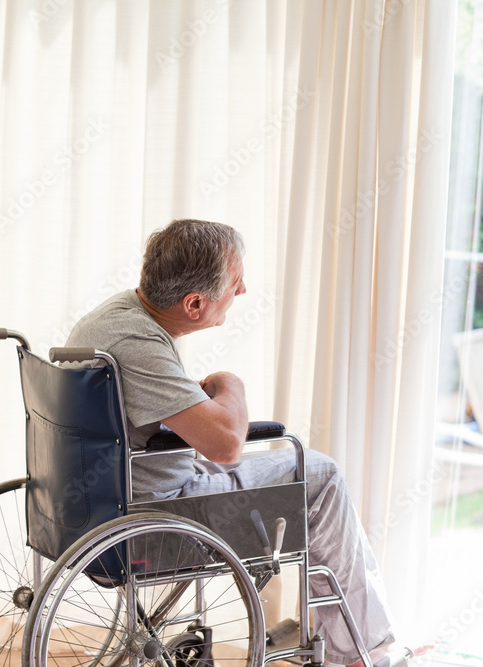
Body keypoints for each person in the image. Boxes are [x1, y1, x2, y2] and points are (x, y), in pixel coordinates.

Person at [64, 219, 417, 667]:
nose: (244, 289)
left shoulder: (115, 316)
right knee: (319, 471)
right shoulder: (137, 343)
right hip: (157, 511)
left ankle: (337, 630)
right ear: (194, 303)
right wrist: (232, 383)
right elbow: (227, 446)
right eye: (236, 282)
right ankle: (363, 652)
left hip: (101, 499)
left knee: (303, 471)